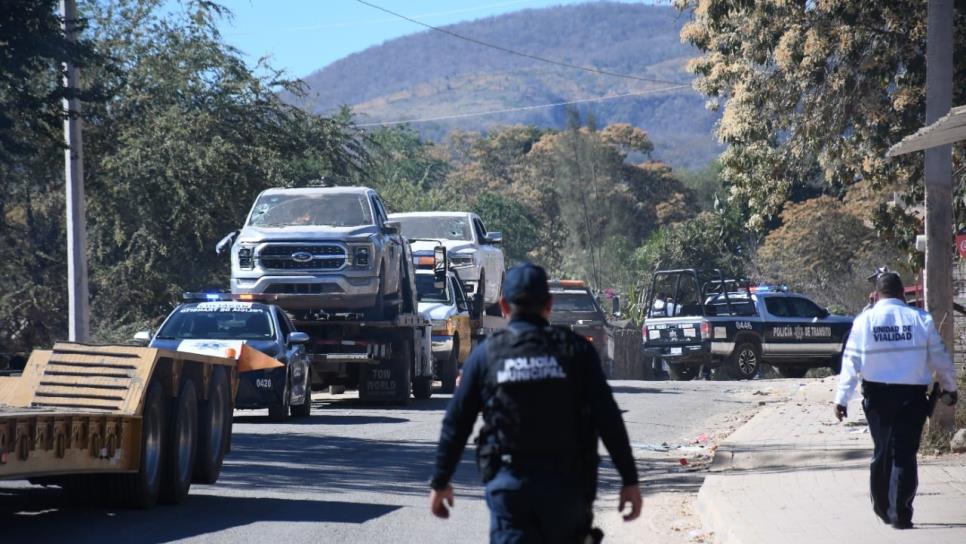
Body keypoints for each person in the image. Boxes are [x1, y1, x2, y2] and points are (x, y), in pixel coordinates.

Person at [429, 263, 642, 542]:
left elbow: (457, 422)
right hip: (567, 491)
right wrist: (629, 480)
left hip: (510, 490)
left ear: (504, 306)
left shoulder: (486, 354)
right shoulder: (576, 350)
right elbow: (608, 418)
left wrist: (441, 481)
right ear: (549, 304)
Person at [834, 272, 958, 529]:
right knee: (904, 453)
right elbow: (940, 359)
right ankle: (900, 511)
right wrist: (950, 388)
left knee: (882, 450)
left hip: (877, 398)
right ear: (903, 293)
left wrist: (841, 400)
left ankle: (883, 506)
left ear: (877, 295)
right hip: (911, 398)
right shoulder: (920, 319)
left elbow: (850, 364)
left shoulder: (864, 321)